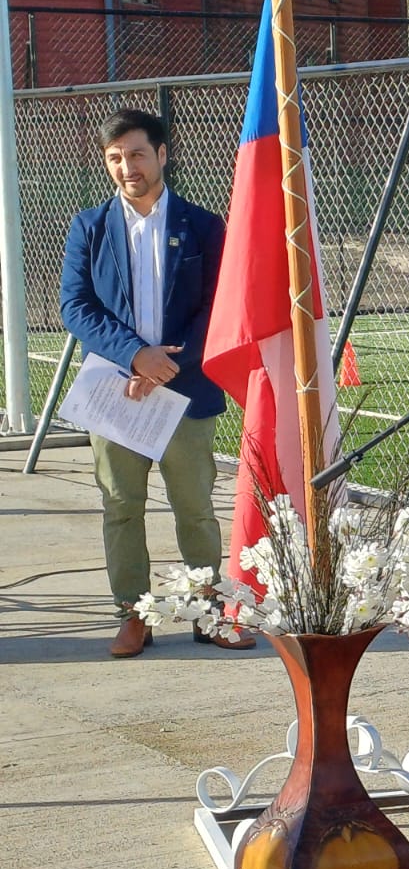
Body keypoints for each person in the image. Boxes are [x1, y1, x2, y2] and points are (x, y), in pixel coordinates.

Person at [59, 108, 254, 657]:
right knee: (121, 505)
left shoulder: (204, 226)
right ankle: (134, 615)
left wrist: (170, 363)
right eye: (116, 157)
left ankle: (207, 612)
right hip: (115, 393)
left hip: (184, 392)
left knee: (194, 507)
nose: (127, 167)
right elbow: (76, 307)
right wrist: (135, 357)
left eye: (137, 154)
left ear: (163, 155)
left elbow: (220, 304)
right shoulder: (88, 227)